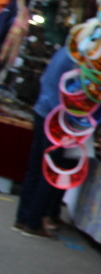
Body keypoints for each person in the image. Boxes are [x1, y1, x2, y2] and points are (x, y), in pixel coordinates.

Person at [14, 47, 78, 238]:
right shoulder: (78, 59)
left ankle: (23, 218)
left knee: (35, 168)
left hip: (43, 111)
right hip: (56, 119)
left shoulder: (64, 52)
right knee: (49, 172)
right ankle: (33, 222)